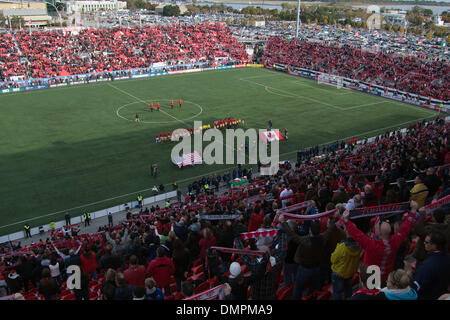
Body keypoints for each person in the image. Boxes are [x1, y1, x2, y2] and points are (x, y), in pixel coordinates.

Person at [342, 201, 418, 285]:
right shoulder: (395, 242)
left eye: (378, 224)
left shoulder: (371, 245)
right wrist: (413, 211)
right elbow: (405, 228)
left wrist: (346, 221)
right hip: (386, 278)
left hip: (370, 278)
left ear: (379, 233)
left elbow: (357, 234)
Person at [279, 213, 337, 299]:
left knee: (298, 288)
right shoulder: (323, 238)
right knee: (313, 288)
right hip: (317, 268)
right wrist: (334, 217)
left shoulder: (305, 240)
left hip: (304, 269)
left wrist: (283, 222)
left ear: (310, 231)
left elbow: (292, 234)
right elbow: (330, 229)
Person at [410, 231, 450, 300]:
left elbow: (417, 285)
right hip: (442, 294)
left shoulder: (428, 264)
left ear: (434, 245)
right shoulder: (448, 258)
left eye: (427, 242)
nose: (424, 243)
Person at [330, 230, 361, 300]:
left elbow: (332, 259)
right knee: (348, 290)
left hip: (339, 273)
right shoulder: (360, 245)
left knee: (337, 293)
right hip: (350, 272)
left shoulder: (342, 247)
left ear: (347, 233)